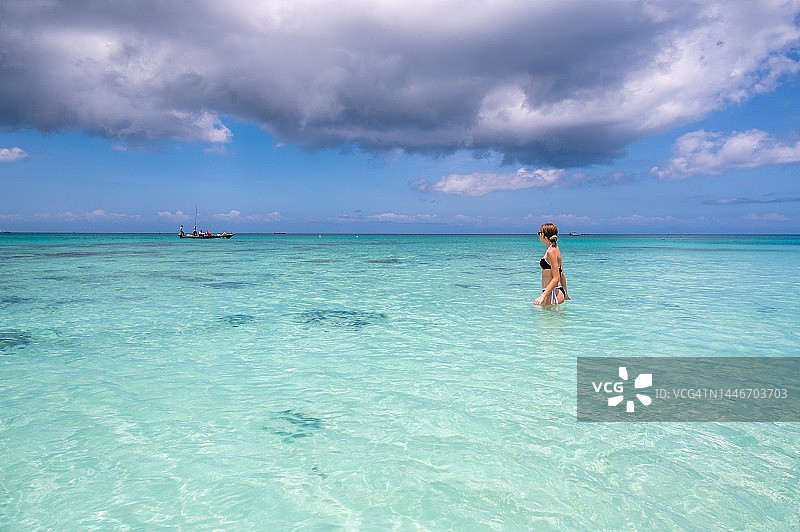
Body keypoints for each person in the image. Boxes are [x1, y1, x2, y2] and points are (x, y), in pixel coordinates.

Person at [534, 222, 570, 305]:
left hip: (553, 293)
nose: (539, 235)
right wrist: (565, 293)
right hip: (555, 292)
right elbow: (562, 273)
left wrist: (542, 296)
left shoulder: (551, 252)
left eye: (539, 233)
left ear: (544, 235)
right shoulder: (555, 249)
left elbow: (556, 277)